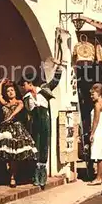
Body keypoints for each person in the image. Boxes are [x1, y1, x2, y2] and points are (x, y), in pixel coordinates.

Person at [19, 59, 63, 189]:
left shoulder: (44, 90)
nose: (23, 87)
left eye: (24, 85)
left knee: (44, 147)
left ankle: (42, 176)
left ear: (29, 83)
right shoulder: (27, 98)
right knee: (35, 148)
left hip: (44, 122)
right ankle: (35, 176)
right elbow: (28, 114)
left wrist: (59, 68)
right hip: (34, 124)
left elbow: (55, 81)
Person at [0, 79, 38, 188]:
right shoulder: (5, 103)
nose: (10, 92)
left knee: (15, 155)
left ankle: (13, 177)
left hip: (16, 129)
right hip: (5, 130)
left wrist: (10, 117)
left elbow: (17, 110)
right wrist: (1, 82)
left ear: (15, 91)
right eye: (8, 91)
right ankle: (9, 174)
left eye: (12, 90)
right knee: (7, 155)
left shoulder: (19, 102)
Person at [88, 83, 102, 185]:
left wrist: (92, 133)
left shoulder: (98, 105)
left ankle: (98, 178)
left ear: (99, 93)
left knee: (100, 155)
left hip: (99, 131)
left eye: (93, 94)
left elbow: (96, 120)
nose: (91, 96)